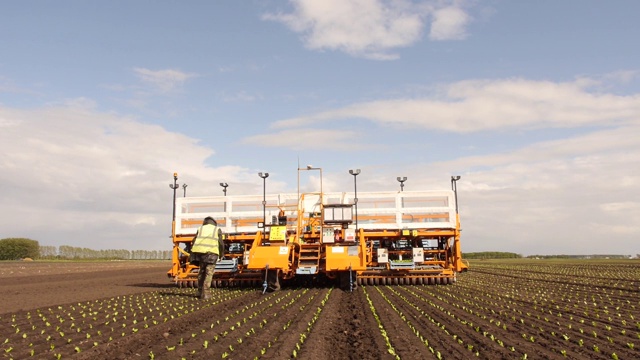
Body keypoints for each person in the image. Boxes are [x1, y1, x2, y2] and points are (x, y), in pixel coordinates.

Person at [190, 216, 224, 300]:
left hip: (201, 254)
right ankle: (206, 293)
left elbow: (194, 241)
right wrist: (221, 254)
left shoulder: (200, 229)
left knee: (202, 272)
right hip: (212, 254)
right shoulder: (217, 229)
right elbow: (221, 243)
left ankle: (199, 291)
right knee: (209, 273)